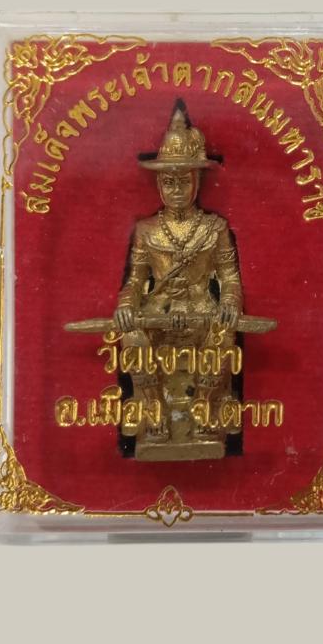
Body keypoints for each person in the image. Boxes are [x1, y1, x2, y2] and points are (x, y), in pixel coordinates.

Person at [113, 105, 243, 460]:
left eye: (183, 181)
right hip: (158, 316)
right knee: (132, 337)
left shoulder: (214, 229)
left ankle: (204, 413)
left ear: (196, 181)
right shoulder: (147, 231)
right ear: (159, 183)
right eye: (168, 182)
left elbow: (230, 279)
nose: (175, 190)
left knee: (223, 336)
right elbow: (136, 281)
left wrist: (230, 304)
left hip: (202, 315)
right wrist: (126, 306)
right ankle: (154, 413)